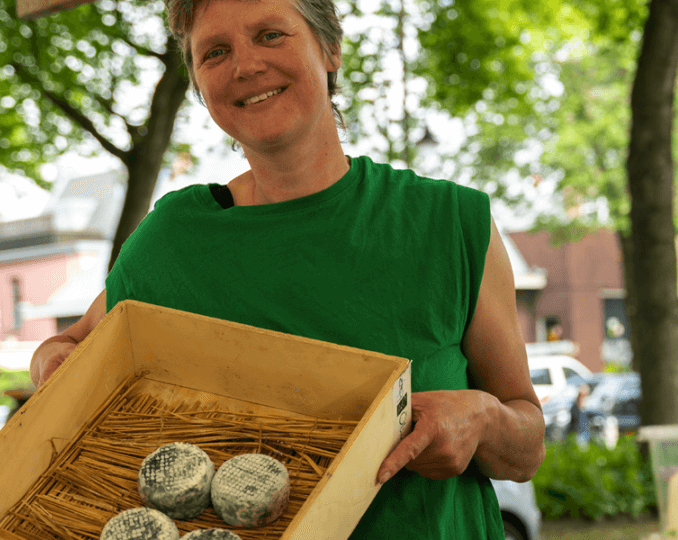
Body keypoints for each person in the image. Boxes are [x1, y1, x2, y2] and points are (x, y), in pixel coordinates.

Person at [29, 0, 545, 538]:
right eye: (215, 52)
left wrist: (482, 420)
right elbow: (67, 349)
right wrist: (53, 363)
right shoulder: (172, 240)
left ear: (330, 50)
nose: (245, 65)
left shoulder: (448, 224)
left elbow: (526, 449)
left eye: (270, 35)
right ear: (201, 87)